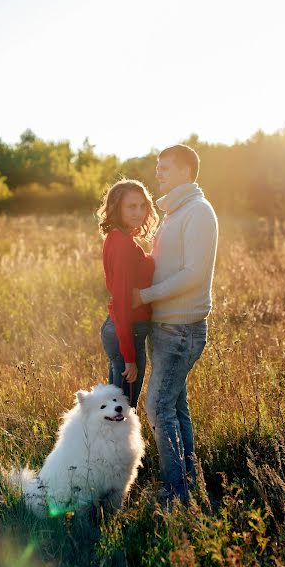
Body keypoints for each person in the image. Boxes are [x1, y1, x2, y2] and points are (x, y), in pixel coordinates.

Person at [132, 144, 218, 503]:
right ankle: (189, 485)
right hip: (166, 326)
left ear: (185, 170)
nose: (158, 172)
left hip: (181, 329)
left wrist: (146, 296)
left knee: (157, 407)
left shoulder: (198, 212)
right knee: (175, 405)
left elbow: (195, 275)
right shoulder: (176, 210)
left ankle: (175, 493)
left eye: (165, 166)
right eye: (157, 166)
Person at [97, 179, 159, 409]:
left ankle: (105, 445)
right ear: (117, 208)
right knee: (123, 411)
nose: (138, 212)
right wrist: (130, 357)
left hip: (121, 329)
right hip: (127, 331)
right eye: (131, 207)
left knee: (115, 409)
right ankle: (112, 446)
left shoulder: (117, 238)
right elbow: (123, 302)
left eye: (142, 206)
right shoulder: (123, 244)